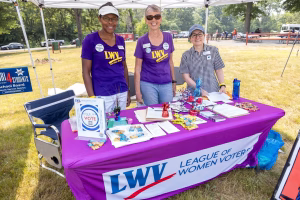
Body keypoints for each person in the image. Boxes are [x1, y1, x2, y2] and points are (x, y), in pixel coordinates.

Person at [81, 2, 130, 113]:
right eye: (106, 18)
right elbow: (85, 72)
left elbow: (124, 68)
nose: (110, 22)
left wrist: (127, 90)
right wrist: (92, 98)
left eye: (114, 19)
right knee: (105, 125)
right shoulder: (90, 40)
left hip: (121, 91)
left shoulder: (121, 40)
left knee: (120, 125)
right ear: (99, 18)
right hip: (102, 94)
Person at [134, 4, 176, 106]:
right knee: (152, 114)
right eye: (150, 17)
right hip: (148, 84)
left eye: (157, 16)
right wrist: (138, 91)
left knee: (166, 112)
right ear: (146, 20)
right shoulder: (141, 41)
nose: (154, 20)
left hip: (166, 83)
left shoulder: (168, 37)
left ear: (160, 19)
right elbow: (137, 69)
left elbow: (170, 62)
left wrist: (173, 82)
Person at [179, 24, 226, 97]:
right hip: (194, 93)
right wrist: (199, 90)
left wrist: (222, 85)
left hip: (213, 93)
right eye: (194, 35)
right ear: (190, 38)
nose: (197, 37)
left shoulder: (213, 50)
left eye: (200, 34)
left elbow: (218, 69)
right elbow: (186, 77)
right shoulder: (186, 55)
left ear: (204, 36)